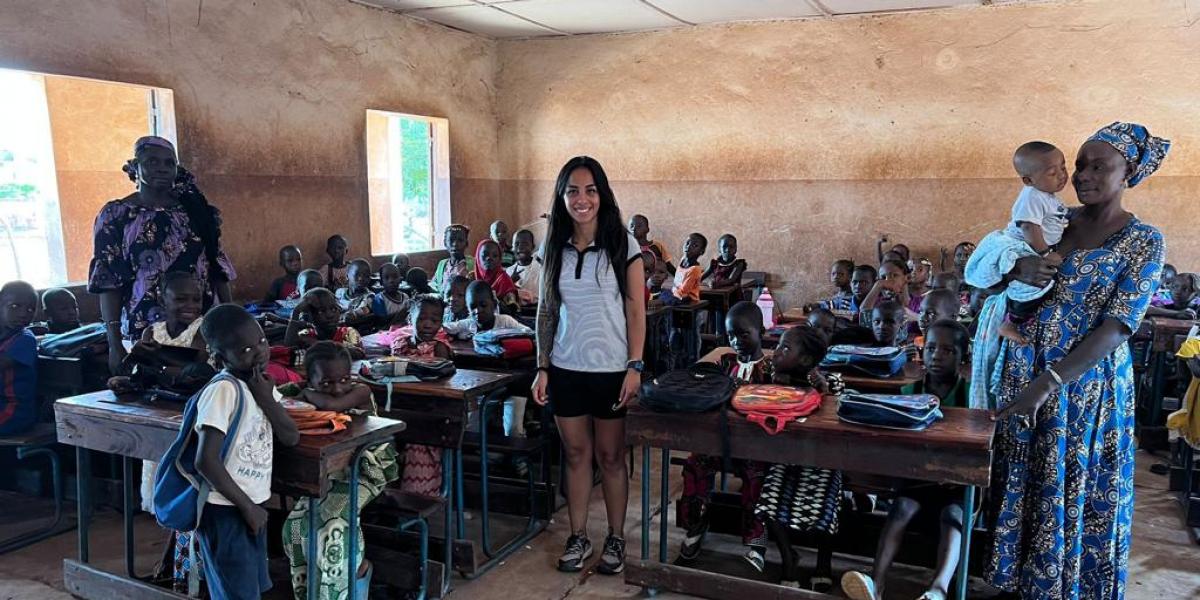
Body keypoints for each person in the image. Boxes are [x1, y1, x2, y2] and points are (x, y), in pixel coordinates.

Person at [986, 122, 1169, 598]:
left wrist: (1047, 383)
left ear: (1128, 171)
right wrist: (1013, 268)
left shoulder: (1144, 240)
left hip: (1084, 388)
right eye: (1080, 164)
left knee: (1074, 486)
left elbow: (1118, 325)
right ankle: (1016, 586)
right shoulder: (1052, 220)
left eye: (1097, 166)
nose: (1083, 175)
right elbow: (988, 276)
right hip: (1023, 371)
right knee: (1022, 479)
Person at [532, 156, 645, 575]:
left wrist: (635, 365)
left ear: (603, 194)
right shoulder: (552, 247)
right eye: (573, 191)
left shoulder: (622, 244)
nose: (582, 199)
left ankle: (615, 538)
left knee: (611, 456)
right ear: (562, 197)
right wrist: (542, 367)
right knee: (576, 454)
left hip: (613, 368)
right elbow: (546, 310)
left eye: (590, 190)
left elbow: (636, 309)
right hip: (566, 367)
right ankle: (578, 536)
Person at [842, 320, 971, 600]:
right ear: (921, 353)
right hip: (915, 480)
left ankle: (937, 589)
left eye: (948, 350)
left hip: (956, 485)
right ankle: (876, 584)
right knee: (900, 509)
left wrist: (951, 474)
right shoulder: (907, 393)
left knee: (953, 517)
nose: (937, 355)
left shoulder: (971, 395)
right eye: (932, 348)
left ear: (963, 356)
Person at [90, 136, 236, 375]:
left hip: (201, 326)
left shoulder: (195, 211)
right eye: (152, 161)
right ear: (135, 167)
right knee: (153, 392)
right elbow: (108, 282)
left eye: (169, 163)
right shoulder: (117, 216)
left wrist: (230, 323)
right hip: (145, 329)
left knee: (204, 386)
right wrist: (114, 344)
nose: (162, 168)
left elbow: (218, 267)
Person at [193, 304, 299, 600]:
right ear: (218, 358)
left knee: (249, 589)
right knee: (235, 593)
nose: (260, 353)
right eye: (245, 350)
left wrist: (266, 398)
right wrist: (247, 508)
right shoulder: (222, 390)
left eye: (262, 341)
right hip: (224, 508)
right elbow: (206, 460)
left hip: (253, 504)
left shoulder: (261, 386)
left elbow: (290, 436)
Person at [281, 341, 398, 599]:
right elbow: (277, 398)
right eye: (326, 383)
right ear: (308, 378)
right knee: (295, 528)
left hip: (367, 471)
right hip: (326, 471)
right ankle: (310, 593)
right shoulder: (301, 391)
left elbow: (332, 406)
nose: (337, 388)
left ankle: (346, 587)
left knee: (331, 526)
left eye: (344, 379)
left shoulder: (360, 391)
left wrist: (309, 396)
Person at [678, 302, 770, 570]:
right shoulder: (725, 363)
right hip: (722, 443)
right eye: (731, 335)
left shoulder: (771, 369)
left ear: (761, 331)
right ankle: (696, 524)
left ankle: (756, 542)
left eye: (744, 334)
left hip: (756, 448)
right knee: (695, 465)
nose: (737, 341)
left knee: (756, 479)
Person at [761, 324, 842, 592]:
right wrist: (772, 385)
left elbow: (838, 420)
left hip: (821, 459)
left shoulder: (827, 382)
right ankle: (788, 557)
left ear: (806, 360)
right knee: (769, 500)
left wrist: (824, 393)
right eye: (778, 346)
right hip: (783, 457)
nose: (776, 353)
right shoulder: (769, 376)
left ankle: (823, 563)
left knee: (827, 501)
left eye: (785, 348)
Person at [991, 141, 1071, 345]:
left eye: (1063, 167)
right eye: (1053, 173)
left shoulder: (1048, 196)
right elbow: (1029, 227)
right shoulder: (1032, 195)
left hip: (1036, 247)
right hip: (1025, 248)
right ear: (1028, 180)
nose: (1062, 175)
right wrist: (1044, 253)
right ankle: (1011, 323)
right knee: (1028, 288)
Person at [444, 281, 533, 437]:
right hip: (481, 384)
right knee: (472, 427)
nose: (478, 311)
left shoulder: (505, 321)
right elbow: (447, 327)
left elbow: (528, 333)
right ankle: (481, 454)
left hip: (513, 382)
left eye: (483, 305)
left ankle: (518, 456)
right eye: (472, 307)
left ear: (493, 303)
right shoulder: (470, 324)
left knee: (513, 429)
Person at [392, 294, 454, 497]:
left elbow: (441, 381)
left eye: (434, 320)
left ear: (441, 323)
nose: (428, 324)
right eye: (422, 319)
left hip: (428, 413)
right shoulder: (401, 344)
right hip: (399, 407)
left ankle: (417, 499)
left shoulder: (440, 348)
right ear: (411, 318)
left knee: (418, 448)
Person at [283, 288, 365, 360]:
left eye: (333, 309)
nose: (330, 315)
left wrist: (320, 345)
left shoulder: (348, 332)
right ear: (310, 317)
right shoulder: (307, 334)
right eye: (321, 311)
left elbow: (359, 353)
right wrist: (296, 312)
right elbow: (288, 347)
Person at [0, 281, 38, 435]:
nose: (24, 314)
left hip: (13, 411)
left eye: (30, 309)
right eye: (15, 306)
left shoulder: (25, 339)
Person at [859, 259, 917, 335]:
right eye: (883, 277)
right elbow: (864, 321)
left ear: (907, 278)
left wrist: (917, 318)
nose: (888, 281)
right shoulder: (878, 303)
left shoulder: (920, 303)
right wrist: (878, 285)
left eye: (895, 275)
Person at [475, 239, 521, 315]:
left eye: (495, 256)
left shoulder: (504, 279)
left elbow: (511, 303)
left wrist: (510, 303)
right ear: (477, 257)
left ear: (500, 259)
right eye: (485, 255)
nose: (489, 258)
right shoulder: (472, 278)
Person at [660, 233, 706, 305]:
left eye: (695, 245)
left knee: (664, 297)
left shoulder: (694, 269)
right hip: (677, 294)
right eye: (687, 243)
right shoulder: (683, 259)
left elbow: (684, 291)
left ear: (702, 252)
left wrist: (672, 294)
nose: (688, 246)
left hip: (687, 298)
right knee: (661, 292)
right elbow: (677, 280)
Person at [431, 224, 474, 293]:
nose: (455, 244)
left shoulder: (473, 264)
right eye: (451, 240)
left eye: (460, 240)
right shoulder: (442, 264)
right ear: (445, 243)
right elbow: (435, 285)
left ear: (466, 243)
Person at [335, 259, 375, 326]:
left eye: (366, 276)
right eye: (357, 275)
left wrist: (351, 315)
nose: (361, 279)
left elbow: (363, 310)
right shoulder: (339, 292)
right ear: (347, 276)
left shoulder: (369, 297)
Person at [507, 229, 541, 305]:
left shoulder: (540, 267)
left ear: (533, 247)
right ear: (512, 248)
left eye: (525, 244)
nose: (520, 247)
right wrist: (510, 282)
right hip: (519, 312)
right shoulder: (509, 271)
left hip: (538, 309)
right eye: (516, 244)